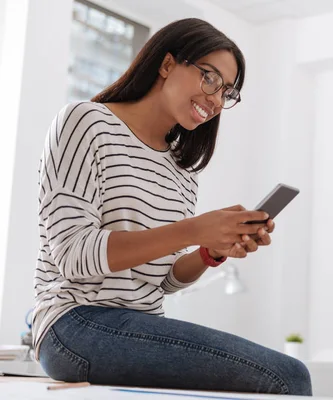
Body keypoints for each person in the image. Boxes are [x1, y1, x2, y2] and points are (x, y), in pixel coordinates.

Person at [33, 18, 312, 396]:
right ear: (167, 65)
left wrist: (210, 251)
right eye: (210, 78)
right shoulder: (86, 122)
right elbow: (73, 254)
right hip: (74, 323)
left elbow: (162, 280)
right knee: (288, 376)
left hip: (138, 324)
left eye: (226, 92)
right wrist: (195, 229)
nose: (216, 100)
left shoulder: (182, 170)